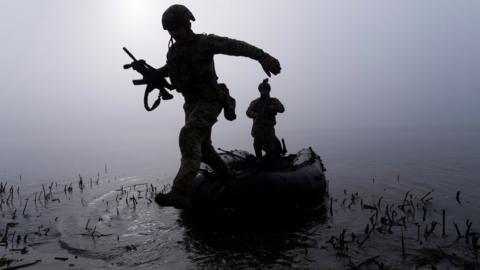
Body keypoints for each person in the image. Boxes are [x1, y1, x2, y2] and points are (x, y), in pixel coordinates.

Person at [153, 4, 281, 208]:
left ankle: (181, 191)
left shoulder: (205, 42)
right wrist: (156, 74)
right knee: (203, 149)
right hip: (191, 105)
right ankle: (227, 176)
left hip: (210, 100)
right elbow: (172, 68)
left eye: (177, 28)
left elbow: (234, 46)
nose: (174, 34)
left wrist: (262, 56)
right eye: (170, 31)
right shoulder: (174, 52)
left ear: (187, 24)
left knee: (189, 134)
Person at [246, 79, 285, 160]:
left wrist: (273, 108)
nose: (263, 92)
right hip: (257, 128)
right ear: (259, 91)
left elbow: (282, 109)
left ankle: (271, 158)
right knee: (257, 145)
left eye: (265, 90)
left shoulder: (273, 101)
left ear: (268, 91)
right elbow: (248, 112)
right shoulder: (255, 102)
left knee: (272, 146)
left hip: (269, 128)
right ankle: (259, 160)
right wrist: (255, 115)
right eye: (262, 90)